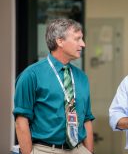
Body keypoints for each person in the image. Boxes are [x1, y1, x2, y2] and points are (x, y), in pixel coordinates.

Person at [13, 18, 95, 154]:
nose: (83, 44)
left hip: (79, 149)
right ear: (60, 41)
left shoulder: (82, 77)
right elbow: (21, 121)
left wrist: (89, 151)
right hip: (45, 149)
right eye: (77, 39)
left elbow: (87, 119)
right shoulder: (31, 75)